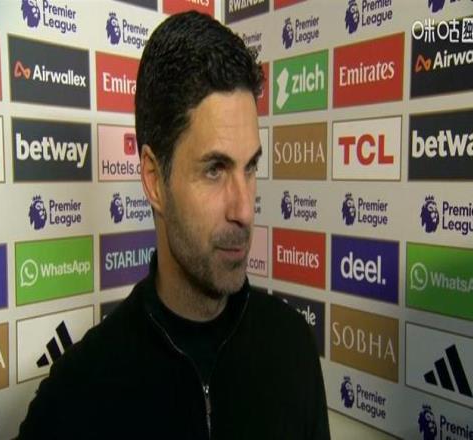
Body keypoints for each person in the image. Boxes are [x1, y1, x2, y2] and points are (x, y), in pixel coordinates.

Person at [18, 11, 330, 439]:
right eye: (215, 170)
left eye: (250, 167)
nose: (244, 210)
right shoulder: (75, 396)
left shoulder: (292, 345)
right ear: (154, 179)